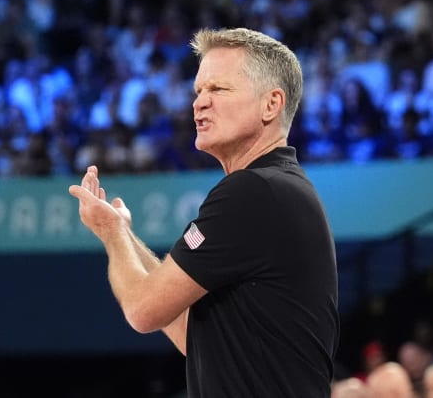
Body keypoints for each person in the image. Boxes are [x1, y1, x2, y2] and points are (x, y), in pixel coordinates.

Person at [68, 27, 339, 397]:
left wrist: (111, 235)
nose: (199, 102)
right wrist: (124, 233)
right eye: (198, 91)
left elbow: (143, 310)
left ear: (271, 104)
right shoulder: (275, 189)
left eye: (218, 89)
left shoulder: (254, 190)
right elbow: (194, 336)